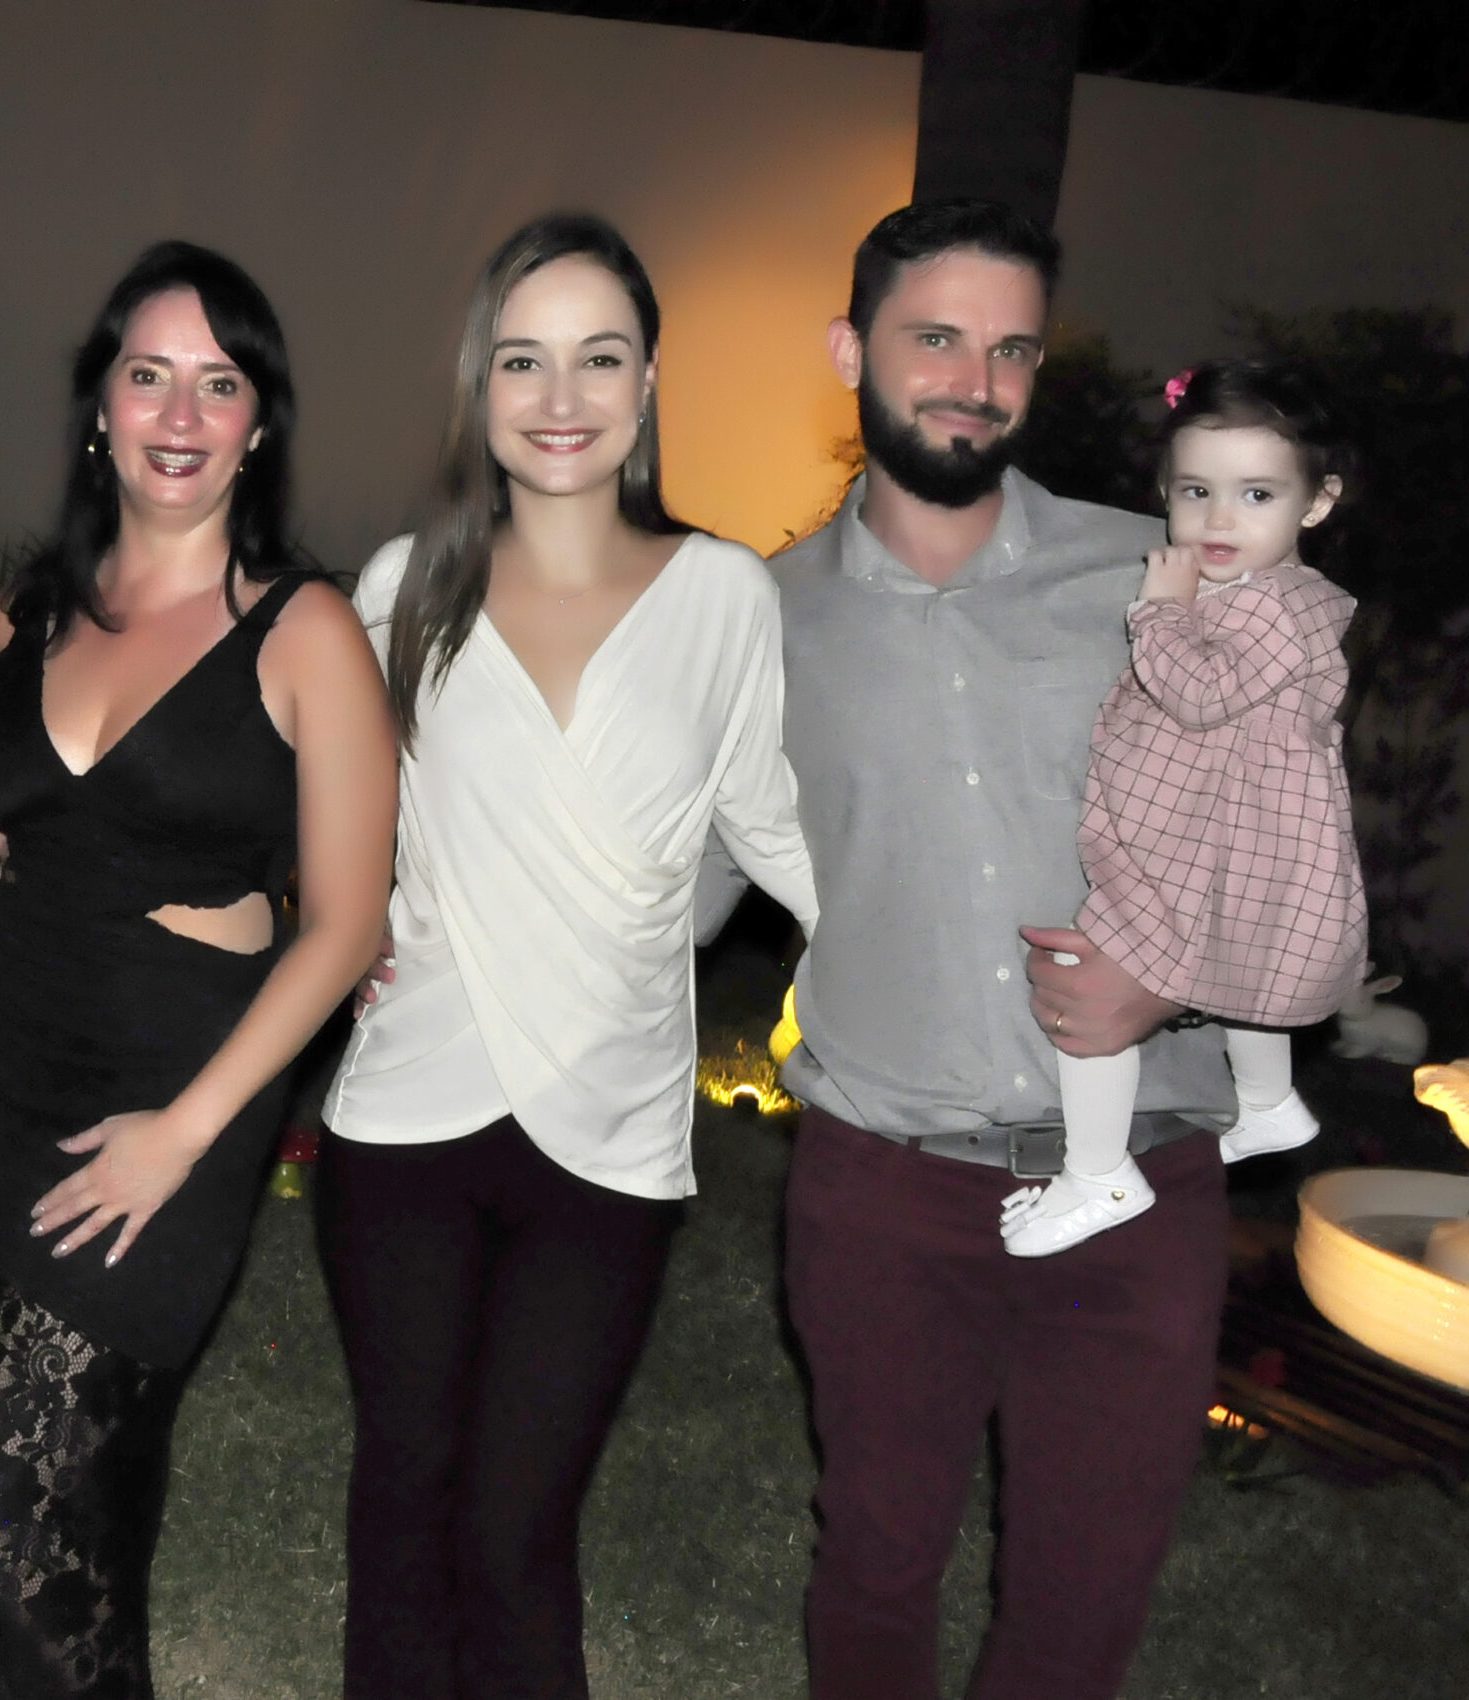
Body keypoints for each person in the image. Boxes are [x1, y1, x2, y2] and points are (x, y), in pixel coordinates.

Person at [0, 241, 396, 1698]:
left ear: (258, 421)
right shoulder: (30, 605)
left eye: (218, 384)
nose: (180, 415)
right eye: (149, 375)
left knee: (29, 1512)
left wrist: (184, 1135)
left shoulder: (304, 630)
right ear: (99, 404)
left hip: (171, 1092)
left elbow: (346, 923)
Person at [749, 198, 1239, 1700]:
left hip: (1141, 1181)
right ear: (850, 352)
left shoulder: (1159, 574)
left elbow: (1283, 843)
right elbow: (662, 885)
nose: (976, 381)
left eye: (1012, 347)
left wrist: (1182, 976)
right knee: (877, 1562)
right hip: (886, 1188)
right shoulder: (757, 623)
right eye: (936, 338)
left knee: (1083, 1601)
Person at [327, 212, 816, 1700]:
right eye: (522, 359)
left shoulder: (723, 596)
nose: (560, 396)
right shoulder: (403, 583)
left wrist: (939, 970)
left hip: (609, 1138)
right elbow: (331, 813)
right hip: (406, 1115)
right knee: (405, 1493)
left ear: (648, 382)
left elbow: (771, 825)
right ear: (479, 383)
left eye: (598, 358)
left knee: (517, 1526)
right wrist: (326, 921)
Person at [1002, 359, 1364, 1255]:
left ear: (1317, 503)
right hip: (1221, 840)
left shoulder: (1284, 608)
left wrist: (1159, 611)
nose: (1219, 519)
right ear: (1165, 489)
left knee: (1088, 986)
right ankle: (1269, 1103)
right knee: (1246, 973)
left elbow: (1198, 697)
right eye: (1196, 491)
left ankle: (1098, 1173)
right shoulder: (1250, 593)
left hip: (1209, 848)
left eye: (1257, 495)